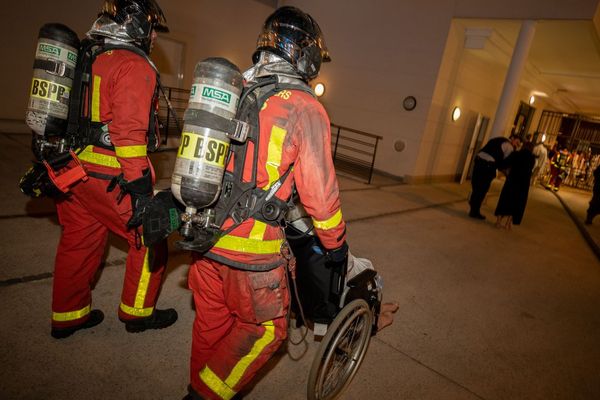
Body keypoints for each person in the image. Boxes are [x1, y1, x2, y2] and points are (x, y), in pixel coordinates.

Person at [184, 7, 351, 400]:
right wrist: (336, 245)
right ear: (303, 53)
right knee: (266, 332)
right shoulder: (305, 107)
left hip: (205, 233)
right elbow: (320, 195)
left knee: (211, 323)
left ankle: (201, 384)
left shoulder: (234, 87)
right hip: (252, 251)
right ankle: (203, 395)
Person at [49, 0, 177, 339]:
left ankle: (67, 316)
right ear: (137, 26)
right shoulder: (134, 65)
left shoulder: (88, 54)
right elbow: (129, 135)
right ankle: (137, 313)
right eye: (151, 29)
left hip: (72, 169)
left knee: (79, 240)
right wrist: (138, 189)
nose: (152, 37)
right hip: (112, 174)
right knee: (150, 239)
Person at [468, 134, 522, 220]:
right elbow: (504, 163)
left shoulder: (497, 139)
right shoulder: (509, 146)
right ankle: (475, 210)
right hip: (488, 166)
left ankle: (473, 206)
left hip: (478, 161)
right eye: (517, 142)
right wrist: (507, 173)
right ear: (512, 138)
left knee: (476, 185)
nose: (517, 145)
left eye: (518, 144)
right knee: (483, 188)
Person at [494, 141, 536, 229]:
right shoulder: (532, 159)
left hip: (512, 180)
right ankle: (507, 224)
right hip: (523, 183)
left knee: (505, 199)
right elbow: (530, 169)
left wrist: (502, 168)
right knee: (517, 202)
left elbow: (505, 163)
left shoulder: (516, 154)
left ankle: (498, 222)